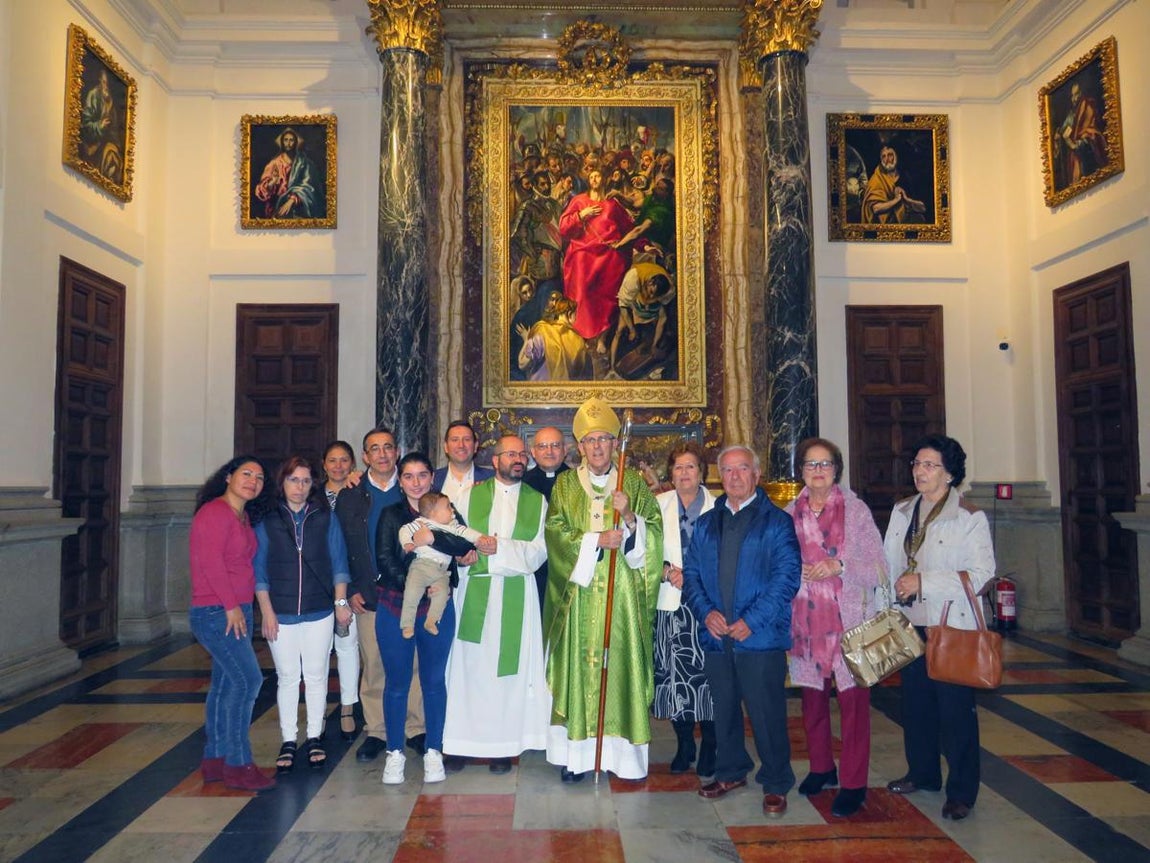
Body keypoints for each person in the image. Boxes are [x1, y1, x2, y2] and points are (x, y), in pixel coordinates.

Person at [543, 397, 663, 782]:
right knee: (580, 667)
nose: (597, 447)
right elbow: (556, 534)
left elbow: (654, 535)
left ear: (615, 444)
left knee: (621, 667)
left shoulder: (632, 483)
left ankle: (621, 757)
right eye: (590, 440)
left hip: (622, 594)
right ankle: (578, 755)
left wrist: (629, 517)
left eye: (604, 439)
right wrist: (596, 541)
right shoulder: (565, 484)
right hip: (580, 595)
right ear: (579, 447)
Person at [681, 445, 800, 817]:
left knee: (766, 713)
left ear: (757, 475)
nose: (734, 476)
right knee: (724, 710)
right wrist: (706, 614)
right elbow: (693, 575)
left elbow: (786, 579)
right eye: (727, 470)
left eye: (742, 469)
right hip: (717, 636)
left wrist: (753, 620)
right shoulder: (706, 523)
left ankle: (777, 781)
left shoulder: (777, 522)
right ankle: (731, 771)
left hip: (759, 637)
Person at [884, 434, 996, 822]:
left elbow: (982, 574)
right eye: (917, 463)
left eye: (929, 465)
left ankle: (962, 790)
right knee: (915, 709)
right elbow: (889, 564)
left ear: (950, 474)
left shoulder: (968, 516)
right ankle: (923, 774)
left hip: (950, 627)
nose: (920, 471)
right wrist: (888, 602)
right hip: (910, 624)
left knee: (955, 713)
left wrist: (924, 582)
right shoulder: (902, 512)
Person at [785, 438, 886, 817]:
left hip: (849, 621)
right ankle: (821, 767)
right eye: (810, 465)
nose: (817, 471)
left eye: (825, 464)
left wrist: (839, 566)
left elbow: (879, 567)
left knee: (854, 705)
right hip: (807, 620)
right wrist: (800, 571)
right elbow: (779, 563)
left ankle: (854, 783)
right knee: (812, 701)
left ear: (836, 469)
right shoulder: (790, 511)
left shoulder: (855, 511)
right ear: (802, 471)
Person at [443, 434, 551, 773]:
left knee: (509, 671)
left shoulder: (538, 501)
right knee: (467, 668)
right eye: (510, 454)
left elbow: (539, 552)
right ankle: (460, 743)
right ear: (495, 460)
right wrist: (460, 559)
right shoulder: (467, 495)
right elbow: (451, 537)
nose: (517, 459)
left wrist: (497, 549)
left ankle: (504, 745)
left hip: (516, 591)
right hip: (475, 590)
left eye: (522, 454)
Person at [374, 453, 475, 785]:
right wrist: (416, 584)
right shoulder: (391, 515)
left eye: (421, 475)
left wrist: (441, 546)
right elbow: (386, 559)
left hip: (437, 609)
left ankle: (434, 751)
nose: (416, 482)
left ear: (432, 477)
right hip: (396, 606)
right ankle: (394, 753)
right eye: (408, 476)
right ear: (400, 481)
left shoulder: (448, 511)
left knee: (433, 682)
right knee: (397, 683)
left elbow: (460, 546)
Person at [255, 455, 352, 773]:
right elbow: (259, 570)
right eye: (293, 480)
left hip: (318, 609)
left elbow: (339, 563)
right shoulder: (267, 519)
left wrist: (340, 605)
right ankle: (288, 739)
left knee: (316, 675)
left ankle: (313, 737)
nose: (299, 487)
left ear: (314, 484)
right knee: (286, 678)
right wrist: (266, 611)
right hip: (280, 611)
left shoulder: (324, 516)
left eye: (306, 481)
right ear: (282, 482)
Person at [334, 428, 426, 762]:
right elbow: (341, 545)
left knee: (413, 661)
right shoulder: (352, 495)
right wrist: (352, 590)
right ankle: (377, 730)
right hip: (370, 595)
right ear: (365, 456)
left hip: (409, 592)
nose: (383, 454)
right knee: (374, 664)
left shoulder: (413, 492)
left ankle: (416, 727)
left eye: (388, 447)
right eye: (376, 449)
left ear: (397, 452)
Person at [188, 456, 275, 792]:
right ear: (228, 477)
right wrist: (229, 607)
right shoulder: (214, 513)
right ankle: (239, 764)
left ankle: (215, 759)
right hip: (216, 611)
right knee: (247, 681)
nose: (253, 480)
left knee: (225, 685)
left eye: (259, 476)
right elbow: (210, 564)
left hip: (235, 608)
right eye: (246, 474)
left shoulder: (241, 517)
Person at [653, 442, 717, 779]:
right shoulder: (657, 505)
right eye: (678, 467)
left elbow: (729, 555)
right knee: (675, 679)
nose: (684, 473)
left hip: (707, 606)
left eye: (690, 466)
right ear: (671, 473)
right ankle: (683, 744)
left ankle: (710, 744)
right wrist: (666, 570)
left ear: (701, 471)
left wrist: (694, 576)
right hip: (670, 603)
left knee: (708, 680)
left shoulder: (719, 507)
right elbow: (644, 552)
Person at [558, 168, 643, 351]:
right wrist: (581, 215)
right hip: (583, 252)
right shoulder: (579, 200)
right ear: (588, 180)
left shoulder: (612, 203)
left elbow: (629, 227)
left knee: (609, 287)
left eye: (598, 176)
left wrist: (644, 244)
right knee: (583, 288)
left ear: (604, 179)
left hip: (608, 254)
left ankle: (602, 337)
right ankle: (584, 335)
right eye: (591, 176)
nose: (595, 179)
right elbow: (563, 228)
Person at [398, 491, 482, 638]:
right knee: (411, 593)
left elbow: (468, 533)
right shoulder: (421, 523)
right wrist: (407, 543)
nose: (452, 510)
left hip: (442, 571)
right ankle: (407, 624)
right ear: (432, 512)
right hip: (422, 566)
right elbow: (404, 530)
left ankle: (431, 621)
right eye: (448, 507)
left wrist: (481, 539)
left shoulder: (453, 526)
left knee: (442, 594)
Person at [321, 440, 361, 742]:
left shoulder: (357, 491)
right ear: (324, 465)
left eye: (343, 460)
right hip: (317, 580)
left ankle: (348, 707)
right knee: (319, 651)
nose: (338, 466)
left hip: (351, 578)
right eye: (332, 461)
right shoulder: (311, 495)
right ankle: (319, 708)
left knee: (347, 645)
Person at [523, 426, 570, 610]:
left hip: (567, 568)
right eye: (542, 446)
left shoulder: (579, 482)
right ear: (533, 452)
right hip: (533, 569)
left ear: (565, 450)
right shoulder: (522, 483)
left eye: (555, 445)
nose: (549, 451)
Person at [517, 294, 592, 381]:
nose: (576, 319)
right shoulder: (579, 340)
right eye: (576, 315)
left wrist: (526, 339)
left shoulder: (543, 331)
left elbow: (522, 364)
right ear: (570, 314)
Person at [254, 127, 319, 219]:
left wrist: (292, 200)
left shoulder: (303, 162)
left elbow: (308, 186)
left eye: (291, 140)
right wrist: (273, 181)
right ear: (282, 142)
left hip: (299, 207)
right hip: (277, 207)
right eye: (286, 140)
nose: (288, 143)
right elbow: (261, 191)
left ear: (296, 142)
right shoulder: (274, 163)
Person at [432, 420, 495, 504]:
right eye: (455, 440)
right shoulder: (433, 479)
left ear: (475, 446)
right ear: (446, 447)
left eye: (467, 439)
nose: (461, 445)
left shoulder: (492, 479)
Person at [861, 145, 926, 224]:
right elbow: (876, 209)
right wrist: (896, 200)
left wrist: (906, 200)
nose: (887, 159)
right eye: (883, 156)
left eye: (890, 155)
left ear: (897, 156)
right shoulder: (876, 179)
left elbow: (923, 208)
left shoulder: (906, 177)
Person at [1059, 81, 1106, 185]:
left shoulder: (1088, 107)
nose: (1074, 99)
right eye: (1072, 96)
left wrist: (1074, 144)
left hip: (1089, 163)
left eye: (1077, 94)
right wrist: (1062, 137)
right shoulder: (1072, 114)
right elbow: (1065, 131)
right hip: (1075, 163)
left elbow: (1092, 133)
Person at [80, 70, 122, 182]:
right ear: (100, 82)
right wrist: (100, 126)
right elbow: (85, 125)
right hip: (92, 143)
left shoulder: (110, 102)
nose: (106, 87)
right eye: (104, 83)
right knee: (109, 154)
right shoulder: (93, 96)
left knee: (114, 155)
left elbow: (114, 131)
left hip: (107, 142)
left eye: (108, 84)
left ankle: (111, 181)